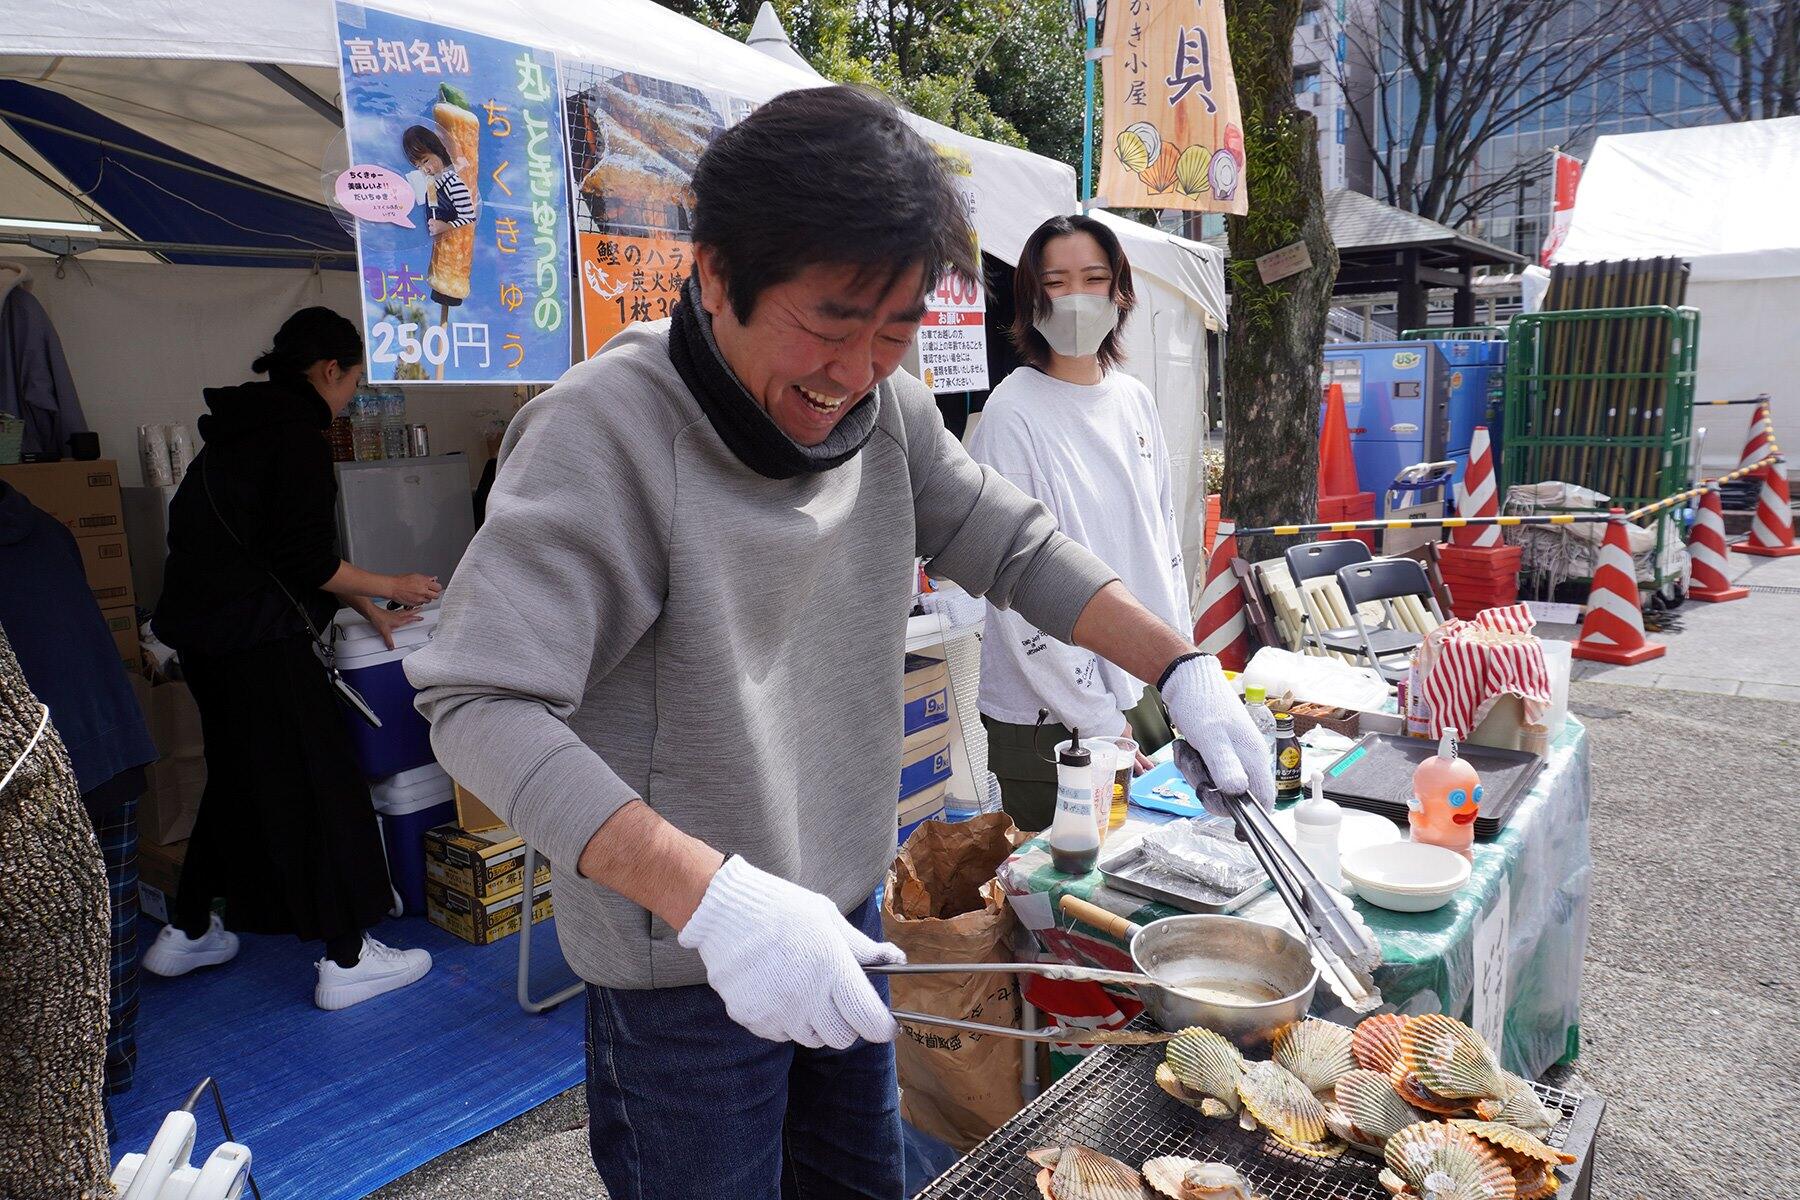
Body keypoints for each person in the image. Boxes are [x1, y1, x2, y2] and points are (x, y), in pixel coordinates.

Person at [405, 86, 1272, 1200]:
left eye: (896, 328)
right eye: (828, 320)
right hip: (688, 957)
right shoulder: (606, 429)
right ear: (716, 273)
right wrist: (714, 900)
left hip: (843, 911)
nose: (854, 371)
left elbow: (1013, 544)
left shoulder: (887, 409)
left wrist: (1180, 666)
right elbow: (478, 705)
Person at [147, 307, 443, 1011]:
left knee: (237, 779)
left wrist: (360, 603)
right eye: (350, 387)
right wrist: (390, 585)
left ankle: (187, 929)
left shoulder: (232, 434)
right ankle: (347, 956)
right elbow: (304, 556)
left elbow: (266, 554)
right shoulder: (297, 436)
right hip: (262, 644)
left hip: (205, 643)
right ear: (328, 371)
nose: (347, 403)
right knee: (322, 785)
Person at [969, 215, 1190, 831]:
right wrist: (1097, 720)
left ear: (1120, 290)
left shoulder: (1134, 398)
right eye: (1056, 282)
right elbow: (1017, 591)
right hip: (1051, 718)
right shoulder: (1012, 414)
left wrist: (1183, 667)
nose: (1075, 299)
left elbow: (1163, 546)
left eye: (1093, 279)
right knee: (1061, 902)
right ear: (1030, 298)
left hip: (1143, 685)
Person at [403, 125, 476, 240]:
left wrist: (448, 226)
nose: (425, 169)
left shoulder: (453, 182)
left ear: (438, 151)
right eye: (418, 166)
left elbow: (470, 219)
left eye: (425, 161)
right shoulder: (433, 186)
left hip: (454, 242)